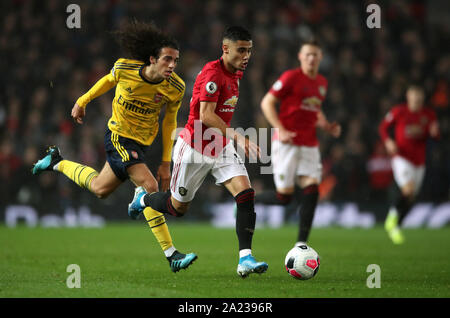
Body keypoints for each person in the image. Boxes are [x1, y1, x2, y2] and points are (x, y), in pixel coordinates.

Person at [32, 20, 197, 272]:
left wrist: (166, 162)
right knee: (150, 186)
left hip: (143, 143)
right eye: (167, 59)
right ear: (152, 59)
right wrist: (82, 100)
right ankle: (171, 254)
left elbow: (169, 123)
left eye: (176, 60)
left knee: (100, 188)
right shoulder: (125, 68)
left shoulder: (175, 87)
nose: (172, 65)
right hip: (119, 136)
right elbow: (108, 81)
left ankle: (56, 162)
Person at [128, 26, 269, 278]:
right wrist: (238, 137)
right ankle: (143, 200)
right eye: (241, 50)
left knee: (246, 193)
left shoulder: (235, 72)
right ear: (225, 49)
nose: (246, 56)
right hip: (194, 147)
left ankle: (245, 258)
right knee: (176, 208)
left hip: (220, 147)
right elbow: (205, 115)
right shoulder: (212, 74)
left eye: (249, 50)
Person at [256, 38, 341, 248]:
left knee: (312, 189)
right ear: (300, 57)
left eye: (315, 54)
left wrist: (325, 124)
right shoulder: (291, 77)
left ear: (320, 58)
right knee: (284, 197)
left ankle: (301, 244)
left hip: (309, 144)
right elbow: (266, 102)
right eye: (308, 54)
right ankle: (249, 200)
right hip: (286, 143)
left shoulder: (322, 82)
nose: (311, 58)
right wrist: (280, 129)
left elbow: (315, 107)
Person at [379, 84, 440, 244]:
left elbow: (435, 135)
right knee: (408, 189)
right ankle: (391, 218)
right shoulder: (399, 111)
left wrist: (435, 133)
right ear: (408, 98)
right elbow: (384, 127)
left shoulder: (429, 115)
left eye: (419, 100)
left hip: (419, 161)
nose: (416, 102)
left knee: (411, 197)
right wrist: (388, 142)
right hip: (401, 157)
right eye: (414, 99)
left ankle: (396, 226)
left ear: (423, 100)